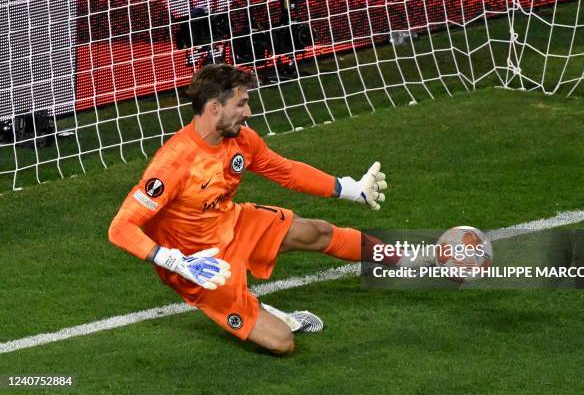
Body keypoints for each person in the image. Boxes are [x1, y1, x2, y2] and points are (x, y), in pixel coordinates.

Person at [108, 64, 387, 355]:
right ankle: (262, 310)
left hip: (230, 222)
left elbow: (287, 172)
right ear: (215, 108)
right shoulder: (173, 164)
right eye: (241, 104)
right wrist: (175, 262)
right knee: (282, 342)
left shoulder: (241, 139)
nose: (248, 112)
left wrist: (350, 189)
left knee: (315, 232)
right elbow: (120, 228)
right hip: (200, 265)